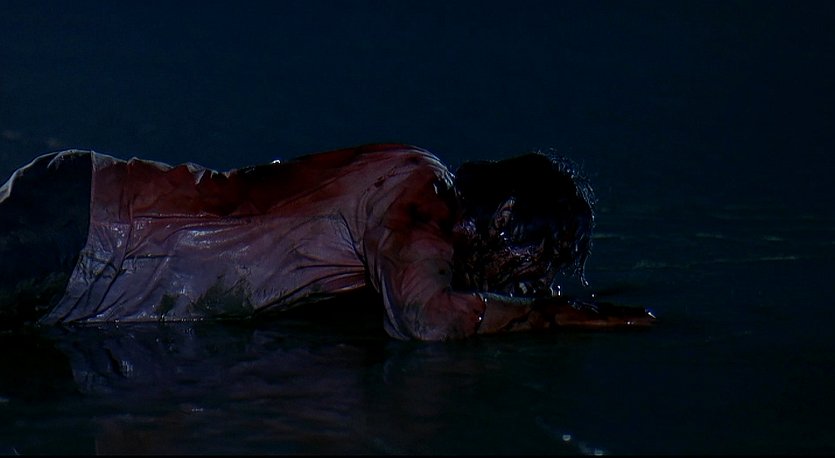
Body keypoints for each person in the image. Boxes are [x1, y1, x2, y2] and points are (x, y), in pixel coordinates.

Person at [0, 143, 654, 340]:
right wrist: (545, 316)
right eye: (535, 258)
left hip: (89, 248)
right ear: (506, 215)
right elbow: (424, 320)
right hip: (89, 227)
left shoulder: (398, 236)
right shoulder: (419, 191)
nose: (529, 279)